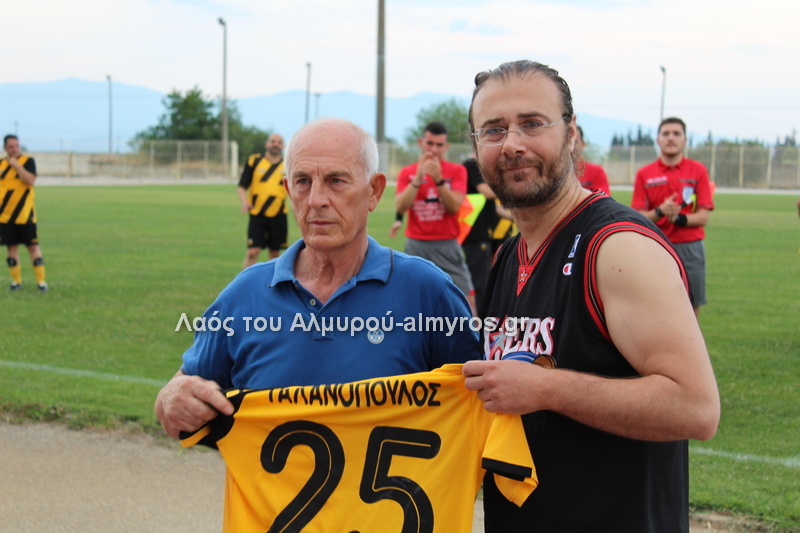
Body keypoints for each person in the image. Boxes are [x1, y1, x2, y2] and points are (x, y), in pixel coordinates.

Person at [463, 60, 720, 532]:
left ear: (571, 134)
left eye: (532, 124)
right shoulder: (509, 255)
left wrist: (545, 389)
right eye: (493, 130)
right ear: (477, 146)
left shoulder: (618, 246)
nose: (513, 144)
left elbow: (696, 408)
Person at [155, 118, 479, 440]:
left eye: (336, 180)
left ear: (374, 191)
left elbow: (477, 410)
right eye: (303, 181)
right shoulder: (243, 296)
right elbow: (179, 394)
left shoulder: (428, 293)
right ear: (288, 190)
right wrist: (172, 397)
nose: (316, 199)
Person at [632, 117, 713, 316]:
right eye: (665, 133)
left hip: (690, 247)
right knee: (652, 304)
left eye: (676, 134)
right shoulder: (645, 174)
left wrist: (679, 219)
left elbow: (703, 217)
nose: (671, 138)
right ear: (657, 140)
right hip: (656, 245)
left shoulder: (698, 171)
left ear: (685, 140)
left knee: (691, 304)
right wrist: (660, 211)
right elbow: (637, 217)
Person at [395, 122, 476, 312]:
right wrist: (418, 178)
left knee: (467, 305)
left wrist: (438, 180)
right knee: (413, 304)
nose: (434, 149)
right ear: (421, 143)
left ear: (446, 147)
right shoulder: (407, 173)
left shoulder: (457, 171)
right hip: (417, 245)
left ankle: (471, 333)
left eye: (439, 145)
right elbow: (401, 206)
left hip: (447, 245)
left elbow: (454, 207)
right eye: (430, 143)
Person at [461, 155, 511, 310]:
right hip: (476, 233)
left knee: (487, 276)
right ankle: (480, 317)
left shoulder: (482, 166)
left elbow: (493, 207)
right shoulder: (472, 164)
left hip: (486, 234)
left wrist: (515, 217)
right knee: (479, 280)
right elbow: (487, 192)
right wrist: (513, 187)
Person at [0, 134, 47, 291]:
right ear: (5, 148)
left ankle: (41, 283)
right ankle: (16, 282)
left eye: (17, 146)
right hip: (5, 216)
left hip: (25, 215)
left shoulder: (27, 161)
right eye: (11, 147)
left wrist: (16, 165)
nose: (15, 149)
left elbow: (30, 181)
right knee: (11, 248)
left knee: (33, 247)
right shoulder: (1, 164)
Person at [237, 133, 288, 269]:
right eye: (273, 141)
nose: (275, 144)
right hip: (257, 213)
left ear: (283, 146)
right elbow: (242, 186)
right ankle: (245, 280)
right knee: (252, 252)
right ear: (266, 144)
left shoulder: (287, 165)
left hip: (278, 213)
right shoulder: (254, 161)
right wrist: (244, 202)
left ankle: (274, 281)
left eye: (279, 142)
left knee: (275, 254)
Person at [575, 125, 611, 195]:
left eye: (575, 142)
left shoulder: (596, 172)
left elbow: (603, 200)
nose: (570, 145)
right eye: (566, 141)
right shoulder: (554, 172)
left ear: (583, 144)